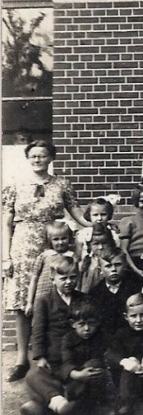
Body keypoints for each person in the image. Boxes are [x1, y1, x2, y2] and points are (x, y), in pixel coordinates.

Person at [3, 140, 91, 382]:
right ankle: (22, 360)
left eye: (42, 155)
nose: (37, 160)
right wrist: (5, 256)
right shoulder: (15, 184)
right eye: (33, 156)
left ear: (51, 158)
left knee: (55, 298)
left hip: (55, 243)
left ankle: (58, 356)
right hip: (24, 246)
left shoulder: (61, 184)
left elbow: (76, 213)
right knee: (23, 303)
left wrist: (96, 225)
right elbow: (6, 221)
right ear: (27, 158)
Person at [20, 255, 94, 415]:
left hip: (76, 358)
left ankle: (45, 403)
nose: (69, 282)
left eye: (73, 277)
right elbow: (38, 331)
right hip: (55, 359)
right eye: (64, 278)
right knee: (33, 376)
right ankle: (59, 403)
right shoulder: (44, 300)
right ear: (52, 278)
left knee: (88, 374)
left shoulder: (84, 299)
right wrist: (40, 357)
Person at [21, 299, 108, 415]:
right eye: (82, 324)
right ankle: (58, 402)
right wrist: (76, 374)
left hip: (84, 381)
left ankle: (48, 404)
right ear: (73, 324)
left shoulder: (99, 337)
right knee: (33, 375)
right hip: (70, 375)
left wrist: (84, 373)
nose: (87, 328)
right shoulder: (68, 339)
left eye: (91, 324)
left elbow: (101, 359)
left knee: (93, 365)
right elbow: (66, 362)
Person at [105, 293, 143, 415]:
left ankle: (126, 406)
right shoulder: (122, 334)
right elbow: (110, 354)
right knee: (130, 361)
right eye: (133, 316)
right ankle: (125, 407)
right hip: (129, 380)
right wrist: (124, 362)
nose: (138, 320)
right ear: (126, 317)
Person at [90, 246, 141, 336]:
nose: (113, 269)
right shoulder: (95, 293)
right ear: (100, 270)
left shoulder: (135, 288)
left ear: (125, 265)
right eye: (108, 266)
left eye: (117, 264)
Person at [26, 221, 75, 311]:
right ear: (49, 240)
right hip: (43, 296)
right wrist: (30, 302)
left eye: (64, 238)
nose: (60, 242)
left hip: (65, 297)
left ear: (69, 238)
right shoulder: (44, 256)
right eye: (56, 239)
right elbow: (34, 278)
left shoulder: (73, 256)